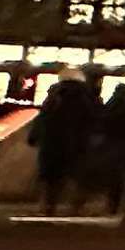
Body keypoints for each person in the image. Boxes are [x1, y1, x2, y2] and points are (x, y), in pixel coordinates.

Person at [33, 72, 99, 213]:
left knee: (51, 177)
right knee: (76, 175)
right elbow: (94, 120)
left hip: (52, 142)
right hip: (78, 143)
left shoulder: (53, 97)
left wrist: (35, 137)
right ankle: (76, 207)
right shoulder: (88, 98)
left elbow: (42, 119)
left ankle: (48, 206)